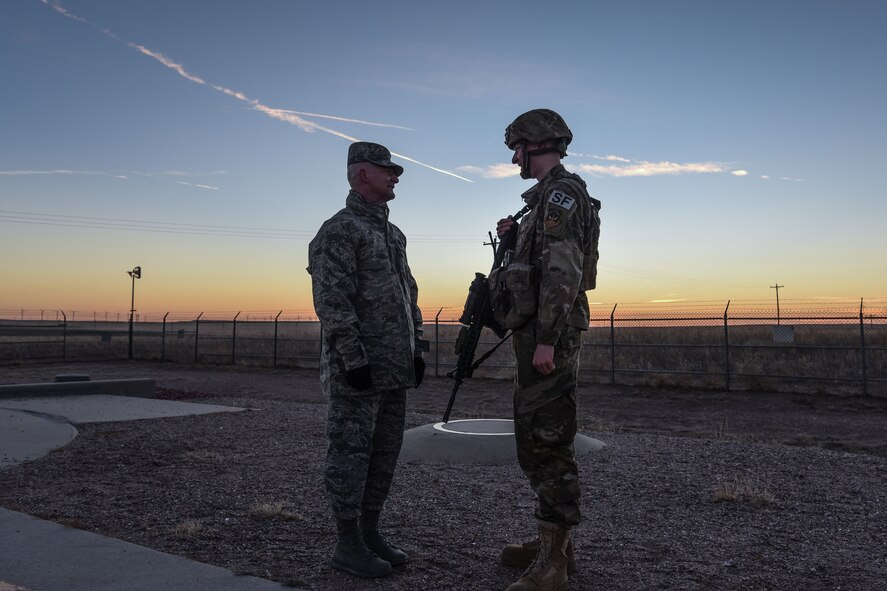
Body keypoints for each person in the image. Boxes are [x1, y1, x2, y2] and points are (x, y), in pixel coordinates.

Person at [307, 141, 425, 578]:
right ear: (361, 174)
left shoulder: (392, 234)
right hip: (357, 371)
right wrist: (353, 360)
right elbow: (332, 301)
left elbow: (409, 296)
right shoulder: (339, 231)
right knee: (350, 454)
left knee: (384, 454)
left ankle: (370, 532)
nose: (395, 176)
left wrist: (417, 350)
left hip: (393, 369)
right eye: (386, 170)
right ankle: (347, 544)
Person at [495, 109, 601, 591]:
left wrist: (546, 339)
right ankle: (555, 547)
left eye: (517, 147)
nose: (515, 156)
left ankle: (553, 566)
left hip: (547, 338)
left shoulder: (561, 195)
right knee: (535, 437)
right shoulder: (540, 203)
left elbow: (564, 271)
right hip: (540, 333)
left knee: (547, 441)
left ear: (536, 145)